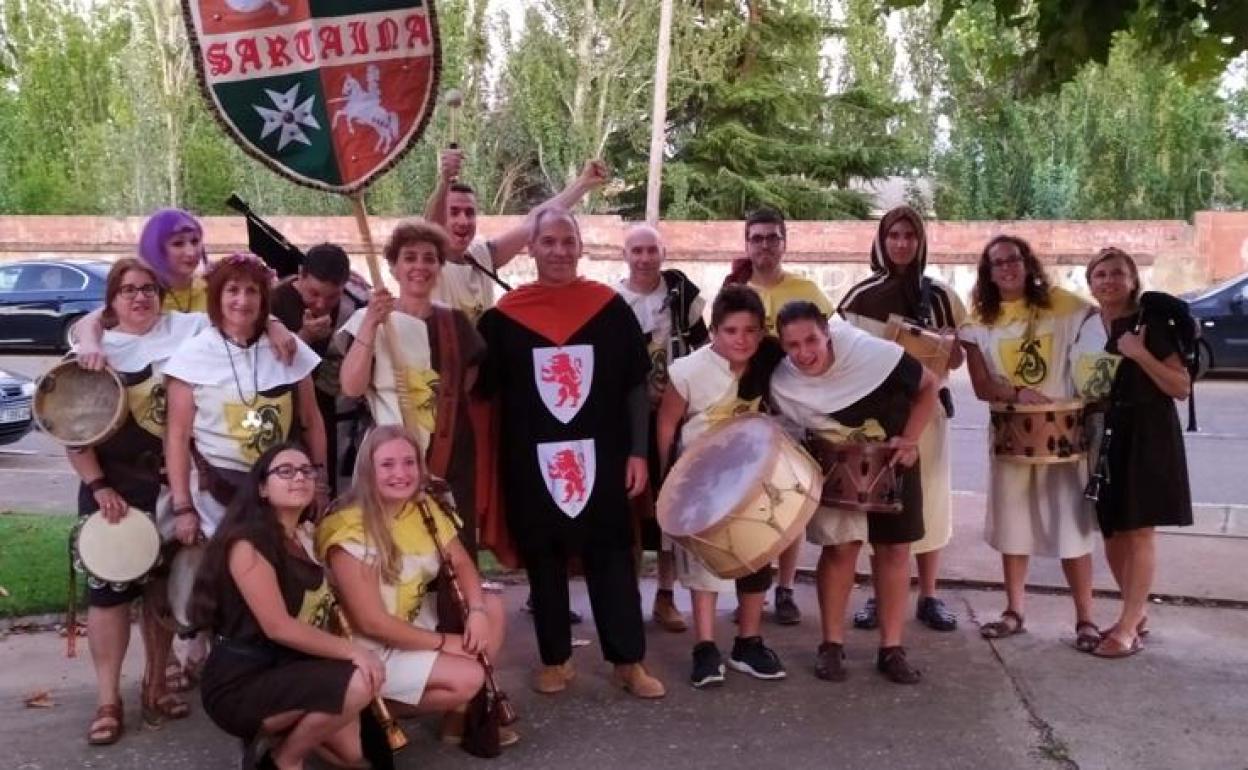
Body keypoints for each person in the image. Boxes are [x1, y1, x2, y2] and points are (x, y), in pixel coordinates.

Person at [476, 207, 665, 699]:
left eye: (567, 241)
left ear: (580, 247)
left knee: (611, 556)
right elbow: (483, 393)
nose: (559, 251)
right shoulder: (503, 317)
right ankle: (555, 658)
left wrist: (638, 453)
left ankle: (628, 659)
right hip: (530, 459)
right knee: (544, 555)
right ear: (532, 249)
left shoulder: (608, 308)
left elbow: (634, 388)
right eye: (548, 242)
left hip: (602, 455)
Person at [67, 258, 207, 744]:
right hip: (112, 488)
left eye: (149, 289)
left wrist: (274, 326)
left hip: (171, 485)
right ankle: (108, 699)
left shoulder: (186, 330)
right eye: (128, 290)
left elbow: (245, 308)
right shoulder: (93, 352)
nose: (140, 297)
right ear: (112, 301)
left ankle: (155, 683)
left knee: (160, 590)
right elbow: (73, 430)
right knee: (108, 596)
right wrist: (99, 486)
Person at [770, 302, 939, 684]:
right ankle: (831, 645)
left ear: (827, 332)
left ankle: (891, 648)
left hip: (895, 458)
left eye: (811, 339)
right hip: (836, 463)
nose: (804, 353)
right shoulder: (784, 383)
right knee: (840, 548)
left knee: (895, 550)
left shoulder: (871, 355)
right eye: (792, 345)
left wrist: (910, 439)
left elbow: (929, 385)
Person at [317, 425, 515, 747]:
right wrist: (443, 643)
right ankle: (351, 714)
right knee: (470, 675)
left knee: (491, 606)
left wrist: (477, 611)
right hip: (368, 644)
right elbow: (372, 622)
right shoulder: (349, 526)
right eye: (388, 464)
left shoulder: (423, 507)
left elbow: (463, 562)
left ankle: (458, 714)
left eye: (409, 462)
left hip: (409, 617)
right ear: (368, 471)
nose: (401, 473)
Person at [191, 443, 383, 770]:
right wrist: (353, 651)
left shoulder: (301, 537)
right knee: (358, 683)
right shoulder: (248, 543)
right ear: (263, 488)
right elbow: (277, 626)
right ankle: (284, 760)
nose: (299, 477)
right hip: (241, 679)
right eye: (285, 471)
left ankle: (277, 736)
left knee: (352, 755)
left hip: (286, 666)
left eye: (306, 471)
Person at [959, 235, 1099, 650]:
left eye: (1012, 260)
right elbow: (982, 385)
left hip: (1061, 437)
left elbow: (1105, 329)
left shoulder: (1068, 308)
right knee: (1013, 526)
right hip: (1012, 437)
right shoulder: (980, 321)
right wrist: (1017, 394)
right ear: (987, 273)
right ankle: (1015, 611)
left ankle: (1086, 619)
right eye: (996, 263)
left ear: (1027, 263)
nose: (1006, 268)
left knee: (1071, 528)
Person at [837, 205, 967, 632]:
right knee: (884, 507)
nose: (902, 243)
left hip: (928, 416)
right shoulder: (860, 297)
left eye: (910, 236)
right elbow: (844, 356)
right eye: (894, 235)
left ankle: (929, 595)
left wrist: (947, 345)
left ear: (921, 242)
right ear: (881, 240)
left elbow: (958, 359)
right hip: (881, 419)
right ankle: (880, 595)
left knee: (930, 503)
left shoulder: (941, 297)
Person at [655, 285, 787, 687]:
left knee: (756, 557)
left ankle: (748, 642)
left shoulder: (769, 363)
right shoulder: (688, 371)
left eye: (750, 330)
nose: (741, 339)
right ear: (714, 331)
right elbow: (666, 425)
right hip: (701, 483)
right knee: (703, 567)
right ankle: (706, 647)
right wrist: (667, 480)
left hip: (752, 478)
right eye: (731, 331)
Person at [1073, 247, 1193, 658]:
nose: (1109, 281)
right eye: (1100, 275)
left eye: (1117, 273)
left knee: (1140, 528)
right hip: (1102, 431)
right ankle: (1134, 613)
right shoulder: (1087, 323)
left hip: (1147, 430)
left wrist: (1140, 353)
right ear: (1090, 283)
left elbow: (1181, 386)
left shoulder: (1149, 322)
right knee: (1112, 526)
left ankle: (1127, 626)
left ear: (1132, 279)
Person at [338, 222, 485, 554]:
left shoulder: (455, 323)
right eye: (410, 258)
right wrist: (370, 323)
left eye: (429, 259)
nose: (420, 266)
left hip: (451, 456)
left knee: (451, 550)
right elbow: (351, 385)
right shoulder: (370, 318)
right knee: (394, 552)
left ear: (440, 266)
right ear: (393, 266)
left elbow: (466, 381)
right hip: (391, 457)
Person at [164, 252, 327, 545]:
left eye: (252, 290)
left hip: (284, 491)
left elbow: (311, 420)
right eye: (233, 290)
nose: (243, 300)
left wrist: (319, 482)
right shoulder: (192, 356)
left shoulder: (287, 349)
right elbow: (177, 436)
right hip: (218, 495)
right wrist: (183, 506)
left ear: (264, 298)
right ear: (217, 296)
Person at [723, 206, 834, 625]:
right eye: (757, 238)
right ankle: (751, 592)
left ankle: (785, 589)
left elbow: (828, 343)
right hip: (746, 408)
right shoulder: (734, 289)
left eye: (772, 237)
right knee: (748, 503)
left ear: (784, 242)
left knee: (789, 502)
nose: (765, 245)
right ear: (746, 244)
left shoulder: (805, 288)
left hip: (794, 408)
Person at [616, 223, 710, 634]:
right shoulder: (611, 302)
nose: (643, 258)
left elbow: (705, 351)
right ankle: (629, 595)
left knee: (671, 507)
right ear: (625, 256)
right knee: (631, 507)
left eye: (650, 250)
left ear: (663, 253)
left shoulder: (682, 300)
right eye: (636, 250)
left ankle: (666, 595)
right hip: (627, 420)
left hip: (676, 416)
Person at [74, 208, 298, 371]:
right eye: (178, 243)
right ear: (156, 248)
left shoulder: (213, 288)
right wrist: (90, 344)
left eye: (195, 241)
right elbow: (90, 322)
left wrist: (273, 324)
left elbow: (245, 313)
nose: (191, 252)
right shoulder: (145, 296)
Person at [423, 150, 609, 323]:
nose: (463, 221)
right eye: (453, 212)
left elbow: (533, 221)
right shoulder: (429, 262)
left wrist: (583, 183)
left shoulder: (482, 257)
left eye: (469, 213)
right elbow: (431, 230)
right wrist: (445, 182)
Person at [270, 243, 368, 497]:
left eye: (332, 296)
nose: (322, 304)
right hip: (288, 413)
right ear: (301, 274)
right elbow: (267, 367)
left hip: (336, 411)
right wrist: (304, 338)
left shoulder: (355, 303)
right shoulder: (274, 302)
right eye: (313, 293)